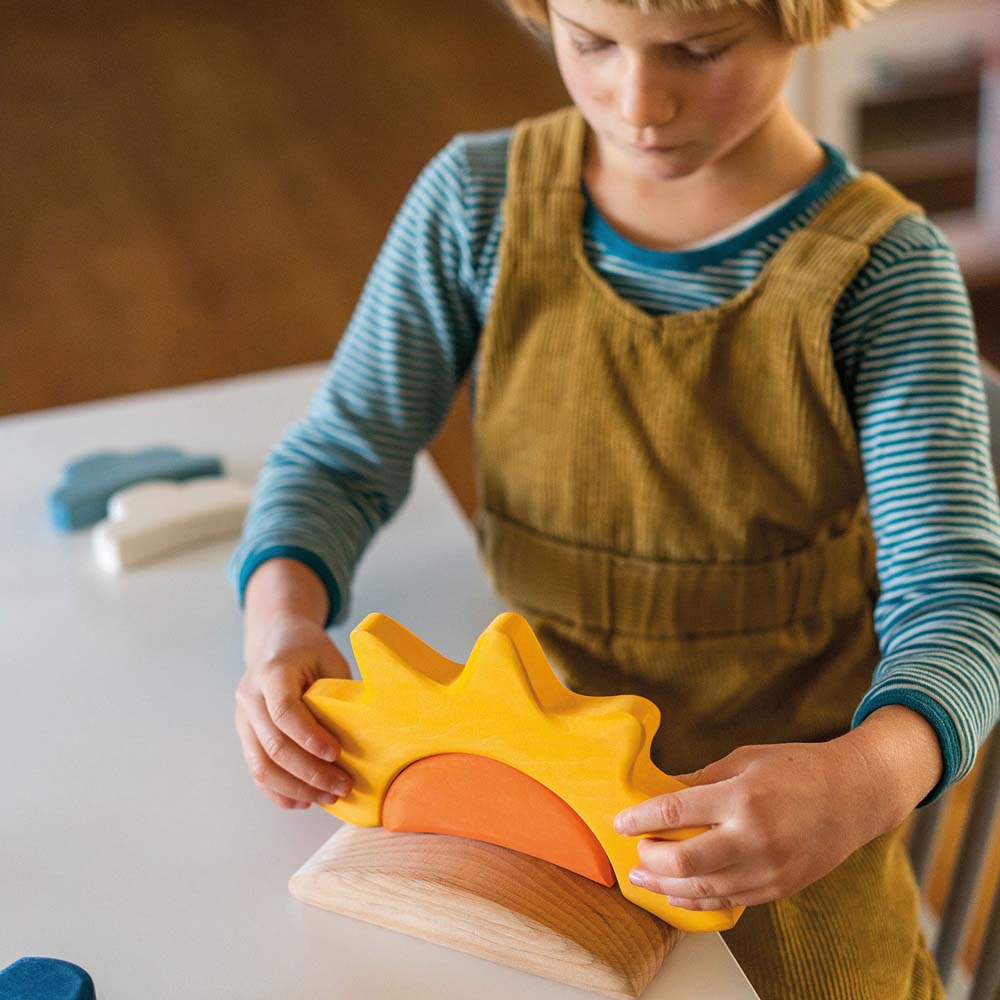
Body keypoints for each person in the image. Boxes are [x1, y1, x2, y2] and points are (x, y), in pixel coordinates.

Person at [229, 0, 1000, 995]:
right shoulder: (476, 205)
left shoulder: (886, 277)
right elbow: (339, 457)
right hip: (525, 803)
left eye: (699, 48)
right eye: (588, 42)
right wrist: (277, 623)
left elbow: (955, 606)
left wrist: (866, 780)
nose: (638, 103)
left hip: (783, 839)